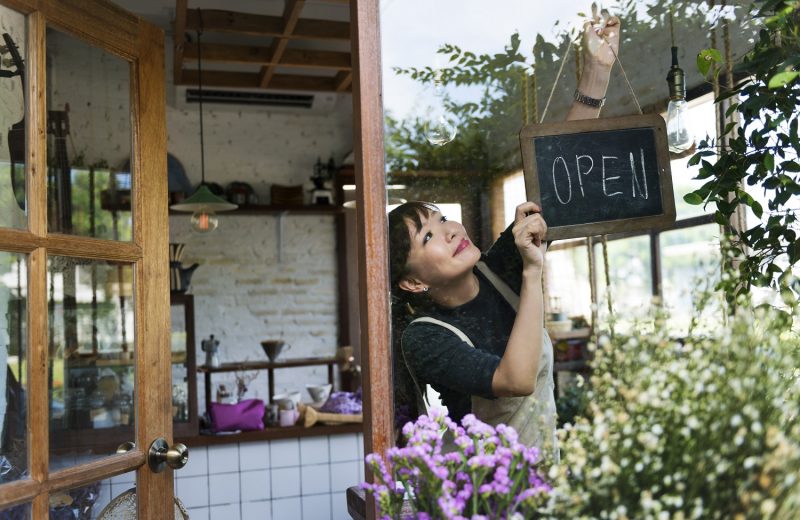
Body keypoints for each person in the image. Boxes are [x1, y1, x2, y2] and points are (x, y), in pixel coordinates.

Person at [389, 10, 621, 459]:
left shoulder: (497, 267)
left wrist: (596, 73)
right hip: (489, 492)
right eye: (428, 236)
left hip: (547, 474)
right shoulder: (424, 335)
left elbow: (558, 178)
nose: (450, 229)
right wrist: (533, 274)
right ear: (413, 282)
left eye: (441, 219)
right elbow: (513, 380)